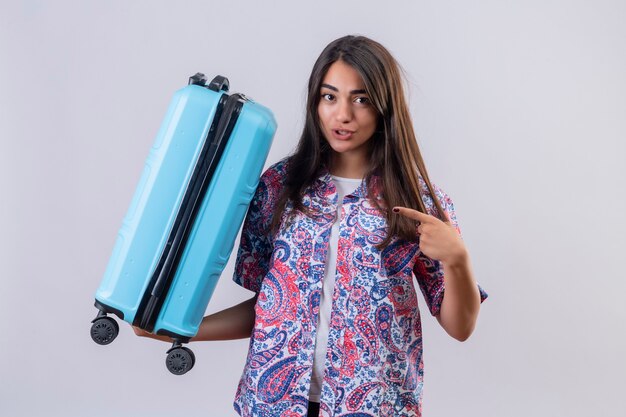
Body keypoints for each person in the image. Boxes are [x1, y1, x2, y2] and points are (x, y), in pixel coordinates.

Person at [135, 35, 487, 417]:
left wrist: (457, 260)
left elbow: (460, 326)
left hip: (375, 407)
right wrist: (178, 328)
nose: (343, 115)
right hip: (274, 404)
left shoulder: (419, 202)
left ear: (385, 107)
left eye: (362, 99)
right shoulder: (278, 187)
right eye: (330, 96)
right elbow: (268, 309)